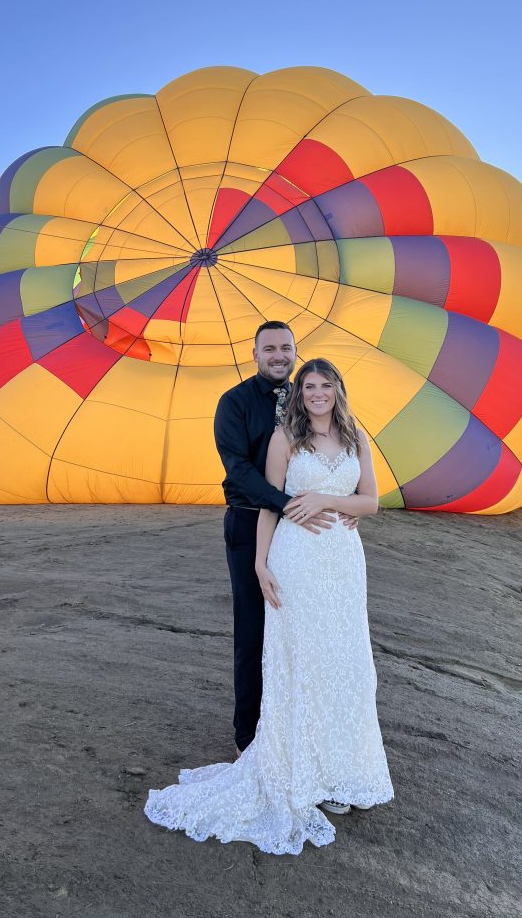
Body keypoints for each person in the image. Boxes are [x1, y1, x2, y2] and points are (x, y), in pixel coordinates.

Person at [144, 358, 393, 854]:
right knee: (301, 660)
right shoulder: (286, 438)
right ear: (299, 393)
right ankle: (304, 771)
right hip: (295, 559)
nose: (317, 393)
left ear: (339, 390)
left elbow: (370, 502)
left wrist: (324, 498)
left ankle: (341, 769)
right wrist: (260, 564)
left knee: (344, 662)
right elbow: (266, 504)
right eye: (309, 386)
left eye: (326, 385)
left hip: (342, 564)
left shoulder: (356, 436)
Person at [211, 321, 346, 758]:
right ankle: (248, 740)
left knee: (300, 633)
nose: (278, 355)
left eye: (286, 348)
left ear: (294, 352)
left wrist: (340, 505)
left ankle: (293, 733)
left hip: (305, 530)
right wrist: (289, 504)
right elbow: (239, 469)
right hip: (252, 522)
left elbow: (333, 457)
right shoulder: (233, 404)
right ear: (254, 354)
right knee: (253, 633)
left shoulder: (308, 400)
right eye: (269, 348)